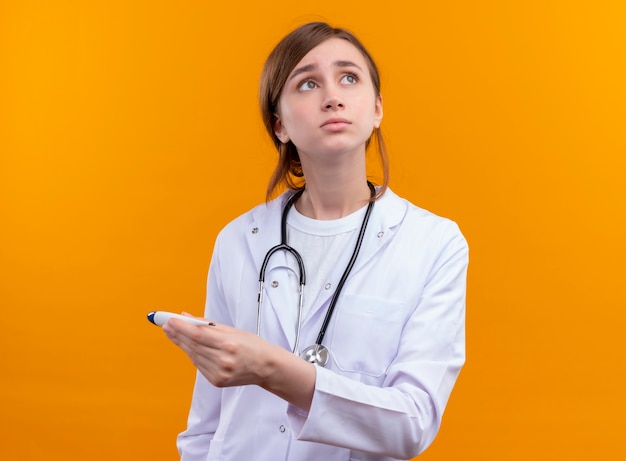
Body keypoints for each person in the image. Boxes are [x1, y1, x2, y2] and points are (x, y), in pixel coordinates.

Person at [162, 21, 468, 461]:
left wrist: (271, 368)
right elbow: (205, 425)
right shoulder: (237, 241)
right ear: (280, 125)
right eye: (307, 83)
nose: (332, 96)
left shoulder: (434, 243)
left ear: (377, 108)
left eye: (349, 77)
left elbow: (412, 423)